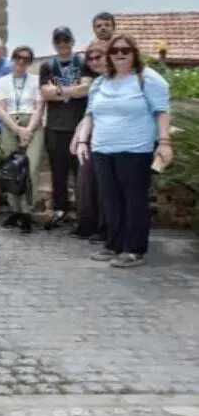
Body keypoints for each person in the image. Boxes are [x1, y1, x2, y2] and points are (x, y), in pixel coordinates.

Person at [75, 34, 173, 267]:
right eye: (115, 50)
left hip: (135, 150)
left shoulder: (147, 78)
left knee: (134, 199)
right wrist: (82, 141)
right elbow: (90, 115)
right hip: (102, 149)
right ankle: (114, 244)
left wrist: (164, 142)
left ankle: (134, 249)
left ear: (134, 53)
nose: (119, 54)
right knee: (110, 200)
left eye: (125, 50)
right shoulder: (100, 82)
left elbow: (161, 111)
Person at [39, 26, 93, 229]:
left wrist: (59, 90)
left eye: (66, 40)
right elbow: (45, 93)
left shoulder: (83, 62)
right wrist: (73, 90)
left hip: (80, 127)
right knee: (58, 173)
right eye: (58, 41)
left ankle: (83, 212)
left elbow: (86, 89)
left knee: (82, 173)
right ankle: (60, 210)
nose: (62, 44)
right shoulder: (47, 66)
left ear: (72, 41)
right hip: (55, 127)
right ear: (54, 43)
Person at [0, 45, 44, 233]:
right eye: (18, 57)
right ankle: (15, 210)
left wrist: (28, 130)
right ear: (13, 58)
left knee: (32, 167)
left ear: (30, 62)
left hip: (32, 123)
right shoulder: (3, 81)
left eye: (26, 59)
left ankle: (27, 212)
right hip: (10, 123)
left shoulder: (36, 81)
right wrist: (17, 129)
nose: (21, 61)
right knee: (11, 169)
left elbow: (39, 108)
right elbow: (0, 109)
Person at [70, 41, 108, 242]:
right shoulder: (97, 84)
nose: (94, 62)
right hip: (93, 136)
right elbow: (89, 113)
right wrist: (79, 137)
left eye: (98, 57)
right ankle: (87, 225)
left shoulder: (121, 80)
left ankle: (105, 228)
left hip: (114, 139)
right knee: (85, 181)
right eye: (90, 59)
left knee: (105, 184)